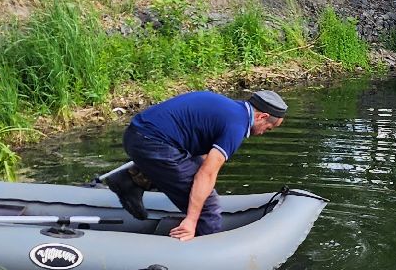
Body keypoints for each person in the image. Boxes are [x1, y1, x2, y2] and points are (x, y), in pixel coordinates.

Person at [108, 90, 288, 240]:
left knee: (191, 175)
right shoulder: (236, 126)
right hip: (154, 144)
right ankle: (206, 258)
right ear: (262, 116)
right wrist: (192, 219)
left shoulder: (229, 109)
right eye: (268, 128)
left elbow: (199, 160)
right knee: (208, 208)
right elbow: (207, 173)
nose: (263, 133)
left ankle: (133, 179)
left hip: (136, 134)